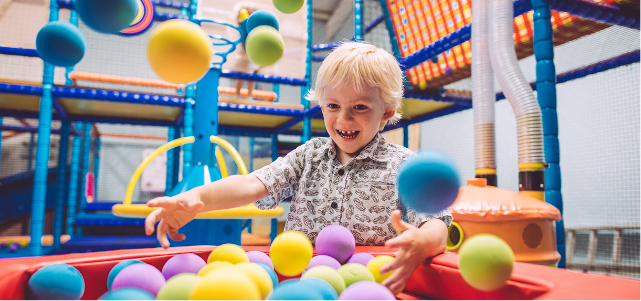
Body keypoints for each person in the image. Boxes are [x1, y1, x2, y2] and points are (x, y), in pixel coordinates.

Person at [144, 42, 452, 293]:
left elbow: (436, 222)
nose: (343, 119)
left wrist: (423, 242)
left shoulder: (404, 166)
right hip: (303, 282)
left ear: (386, 111)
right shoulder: (309, 155)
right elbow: (252, 185)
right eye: (333, 106)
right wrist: (194, 200)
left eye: (359, 107)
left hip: (367, 285)